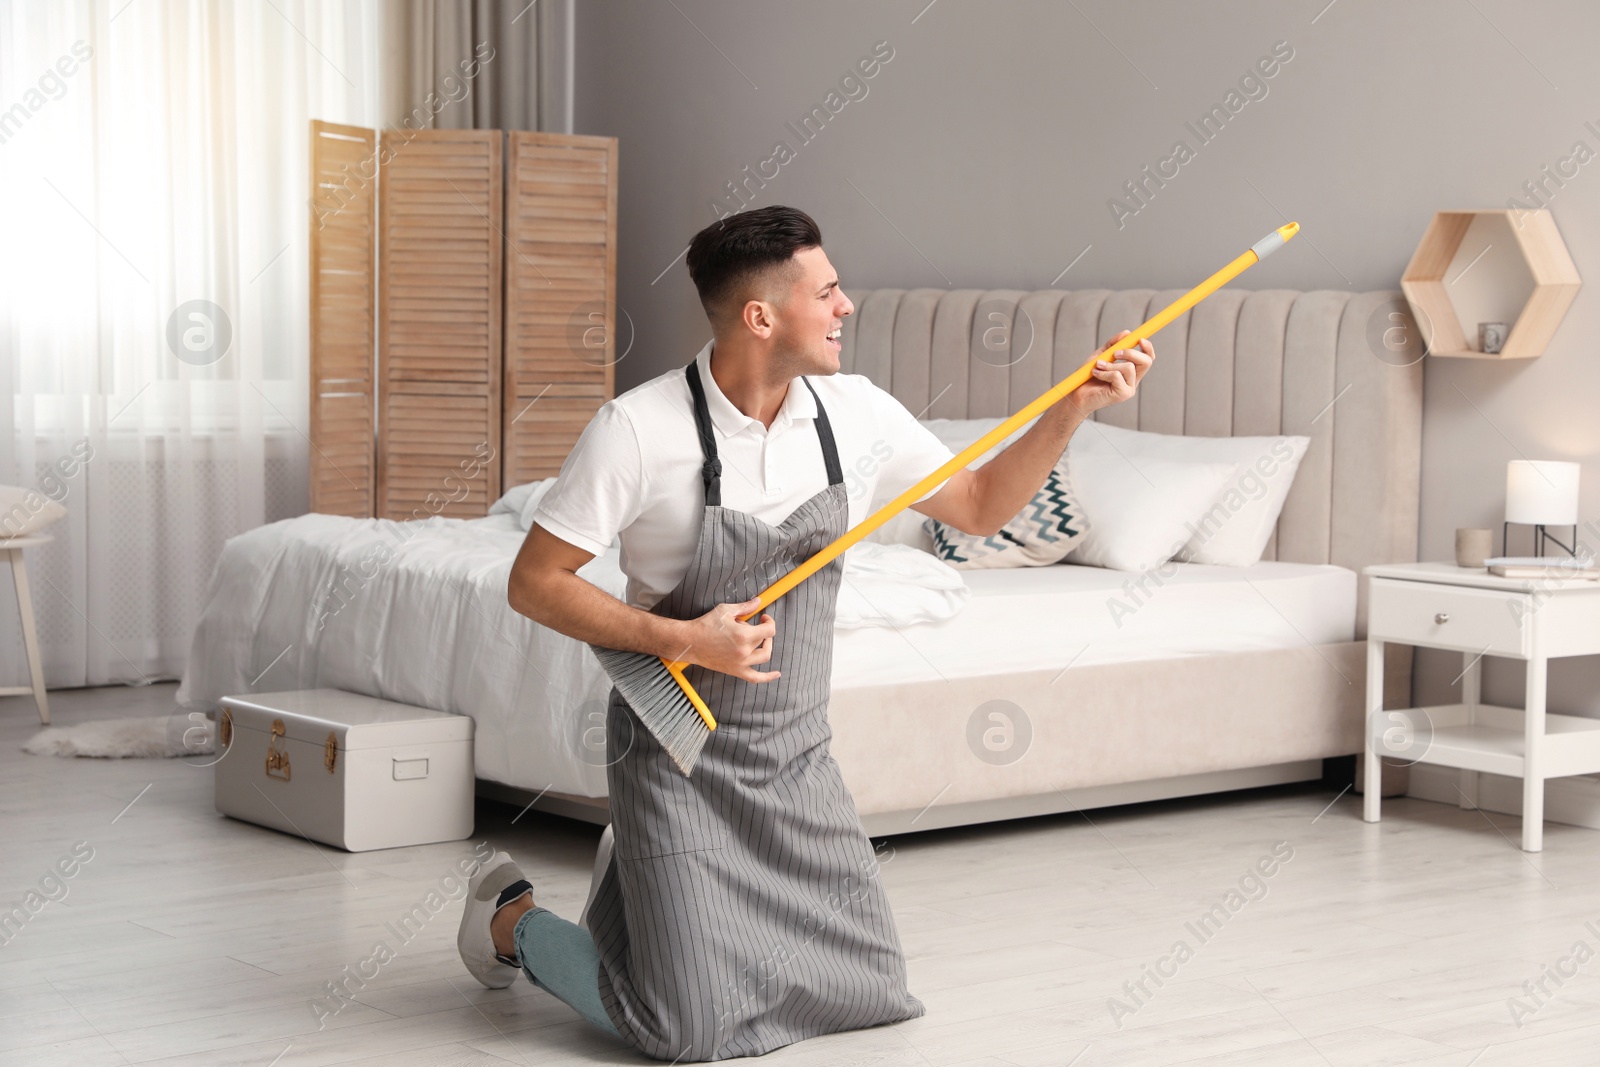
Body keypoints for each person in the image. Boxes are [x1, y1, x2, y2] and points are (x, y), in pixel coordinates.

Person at [456, 204, 1152, 1061]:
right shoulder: (637, 429)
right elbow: (535, 584)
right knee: (687, 1027)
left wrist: (1076, 405)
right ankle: (512, 918)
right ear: (762, 316)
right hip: (676, 756)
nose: (846, 306)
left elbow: (979, 507)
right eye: (827, 292)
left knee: (871, 995)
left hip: (796, 756)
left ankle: (639, 883)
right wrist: (679, 638)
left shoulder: (855, 413)